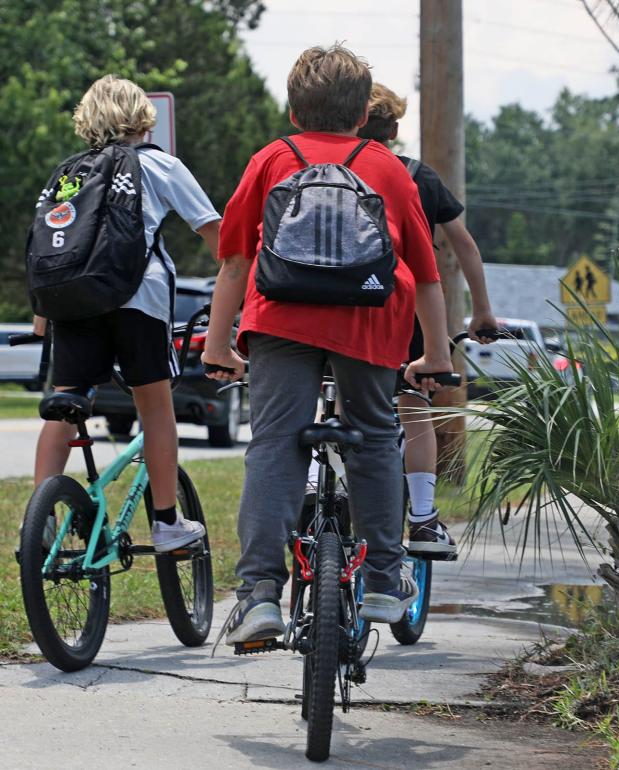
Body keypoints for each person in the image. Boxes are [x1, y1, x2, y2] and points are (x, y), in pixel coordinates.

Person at [202, 45, 453, 642]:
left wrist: (218, 346)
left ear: (294, 111)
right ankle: (387, 584)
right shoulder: (388, 169)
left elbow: (236, 263)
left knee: (274, 447)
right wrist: (436, 354)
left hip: (280, 324)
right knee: (371, 443)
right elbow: (424, 272)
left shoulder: (271, 159)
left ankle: (261, 593)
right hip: (369, 326)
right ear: (363, 115)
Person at [32, 75, 221, 552]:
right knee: (155, 407)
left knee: (66, 399)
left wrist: (42, 318)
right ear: (143, 117)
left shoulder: (70, 173)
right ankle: (166, 524)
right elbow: (218, 236)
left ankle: (39, 521)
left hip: (72, 305)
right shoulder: (161, 165)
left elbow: (49, 247)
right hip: (139, 299)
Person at [358, 83, 497, 557]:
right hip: (407, 310)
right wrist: (481, 311)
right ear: (394, 129)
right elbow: (464, 244)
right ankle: (421, 518)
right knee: (414, 414)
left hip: (342, 310)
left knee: (334, 404)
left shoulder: (333, 169)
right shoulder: (416, 175)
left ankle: (318, 493)